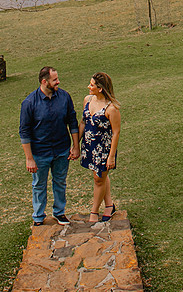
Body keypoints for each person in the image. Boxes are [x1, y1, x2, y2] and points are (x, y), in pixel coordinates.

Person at [19, 66, 79, 226]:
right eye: (55, 80)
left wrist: (75, 146)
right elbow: (24, 132)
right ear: (44, 81)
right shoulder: (29, 103)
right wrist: (29, 158)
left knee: (60, 182)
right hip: (40, 153)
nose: (58, 81)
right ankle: (38, 216)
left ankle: (59, 212)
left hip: (61, 150)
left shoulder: (65, 97)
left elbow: (72, 122)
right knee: (39, 185)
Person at [79, 72, 121, 223]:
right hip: (89, 146)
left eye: (92, 85)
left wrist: (111, 156)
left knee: (98, 179)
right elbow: (83, 122)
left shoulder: (111, 109)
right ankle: (109, 205)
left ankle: (94, 212)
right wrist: (75, 145)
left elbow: (116, 133)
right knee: (100, 177)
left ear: (100, 89)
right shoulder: (87, 100)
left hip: (103, 149)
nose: (88, 87)